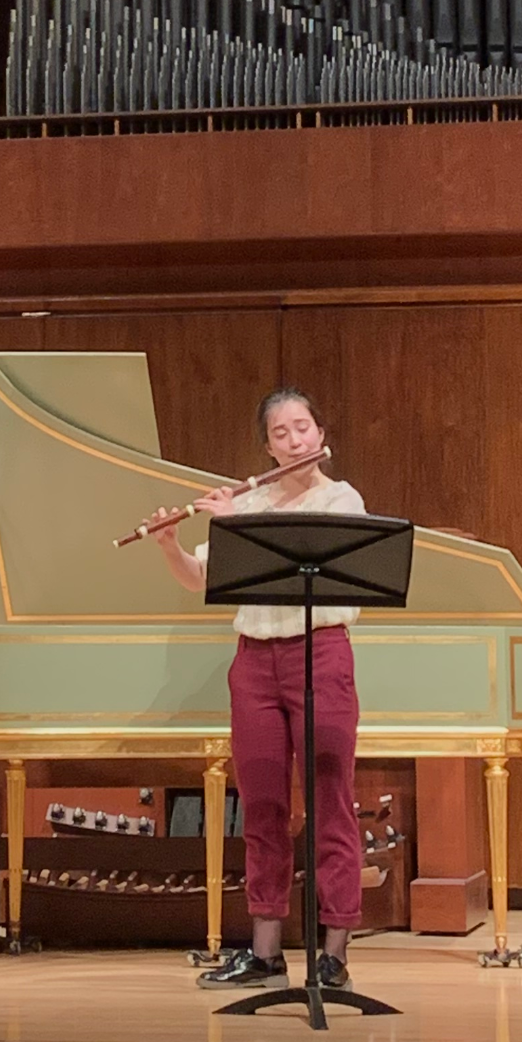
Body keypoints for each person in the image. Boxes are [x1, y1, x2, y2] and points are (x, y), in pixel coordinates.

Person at [149, 388, 366, 991]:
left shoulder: (341, 500)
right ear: (266, 445)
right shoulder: (254, 500)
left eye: (303, 429)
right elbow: (198, 579)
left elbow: (308, 555)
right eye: (280, 434)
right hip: (254, 664)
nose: (294, 441)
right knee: (263, 807)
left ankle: (335, 952)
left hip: (320, 654)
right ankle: (266, 952)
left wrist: (235, 521)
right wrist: (170, 543)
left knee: (331, 800)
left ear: (321, 434)